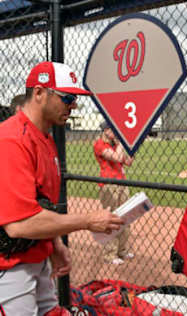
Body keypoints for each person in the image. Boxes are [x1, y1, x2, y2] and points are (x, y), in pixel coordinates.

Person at [0, 61, 125, 315]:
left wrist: (55, 244)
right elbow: (19, 224)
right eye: (67, 98)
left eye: (75, 99)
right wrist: (88, 220)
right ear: (39, 93)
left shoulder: (45, 138)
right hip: (10, 267)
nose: (73, 105)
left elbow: (41, 203)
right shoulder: (12, 139)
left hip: (36, 257)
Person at [93, 121, 134, 265]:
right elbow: (116, 158)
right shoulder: (99, 144)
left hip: (122, 183)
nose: (115, 133)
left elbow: (128, 162)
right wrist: (122, 143)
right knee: (112, 219)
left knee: (126, 217)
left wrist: (130, 147)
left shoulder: (117, 145)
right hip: (109, 185)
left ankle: (122, 251)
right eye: (112, 130)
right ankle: (110, 254)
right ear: (105, 130)